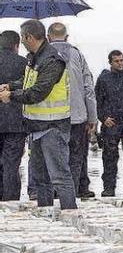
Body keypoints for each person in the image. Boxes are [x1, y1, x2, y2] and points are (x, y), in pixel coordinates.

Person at [0, 20, 76, 209]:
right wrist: (11, 85)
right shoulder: (34, 57)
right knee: (41, 179)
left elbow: (38, 92)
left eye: (23, 38)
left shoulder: (52, 60)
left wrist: (11, 96)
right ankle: (45, 213)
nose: (22, 43)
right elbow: (28, 81)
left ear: (29, 37)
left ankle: (69, 212)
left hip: (53, 127)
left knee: (59, 176)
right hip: (36, 126)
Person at [47, 23, 97, 198]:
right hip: (76, 117)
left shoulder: (41, 55)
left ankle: (53, 195)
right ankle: (71, 195)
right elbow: (88, 88)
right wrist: (92, 117)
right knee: (75, 159)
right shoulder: (77, 55)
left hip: (49, 117)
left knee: (52, 160)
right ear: (67, 37)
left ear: (48, 37)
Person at [95, 50, 123, 197]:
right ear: (110, 62)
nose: (120, 63)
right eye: (117, 61)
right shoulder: (104, 79)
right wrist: (103, 118)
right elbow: (98, 102)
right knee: (109, 157)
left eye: (121, 60)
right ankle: (109, 187)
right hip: (111, 123)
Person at [0, 31, 28, 201]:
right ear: (16, 45)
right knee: (11, 164)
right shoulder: (24, 63)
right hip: (16, 122)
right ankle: (10, 201)